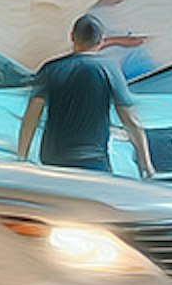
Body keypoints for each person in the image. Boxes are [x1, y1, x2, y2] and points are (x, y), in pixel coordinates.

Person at [16, 13, 148, 178]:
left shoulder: (50, 68)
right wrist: (146, 165)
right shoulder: (109, 69)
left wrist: (21, 158)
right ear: (101, 40)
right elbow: (130, 120)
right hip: (93, 159)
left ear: (72, 37)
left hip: (53, 160)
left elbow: (31, 116)